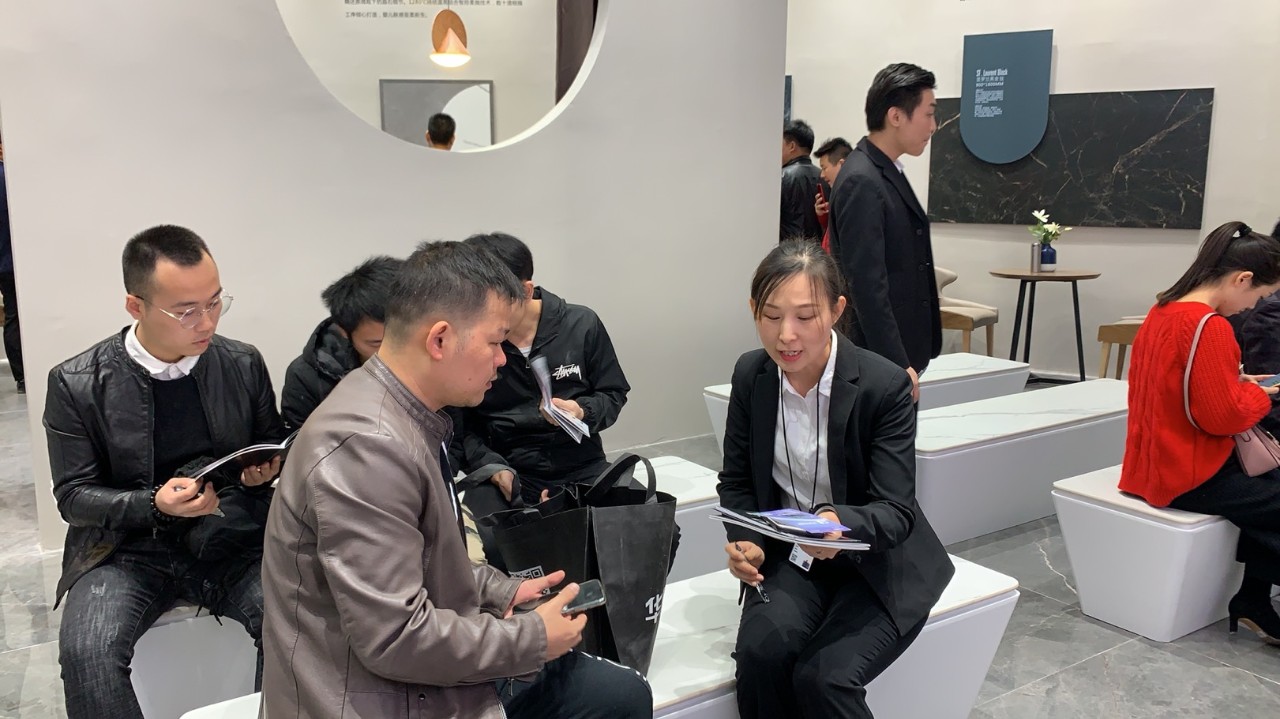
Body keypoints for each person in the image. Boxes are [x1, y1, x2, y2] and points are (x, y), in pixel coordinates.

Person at [259, 240, 651, 719]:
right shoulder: (369, 447)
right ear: (440, 340)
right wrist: (533, 637)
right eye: (495, 341)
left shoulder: (403, 411)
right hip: (377, 695)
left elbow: (417, 560)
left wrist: (498, 590)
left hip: (408, 677)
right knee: (614, 697)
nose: (503, 359)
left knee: (617, 692)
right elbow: (395, 638)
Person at [44, 225, 287, 718]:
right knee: (89, 653)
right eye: (186, 311)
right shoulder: (76, 382)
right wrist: (153, 504)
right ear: (135, 306)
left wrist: (260, 474)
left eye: (215, 302)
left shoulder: (241, 363)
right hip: (125, 550)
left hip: (228, 536)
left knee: (295, 624)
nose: (207, 322)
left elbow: (266, 446)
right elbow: (73, 496)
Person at [717, 240, 953, 718]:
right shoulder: (751, 375)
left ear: (836, 310)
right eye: (771, 316)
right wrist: (749, 541)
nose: (786, 335)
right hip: (795, 556)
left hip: (880, 565)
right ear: (753, 310)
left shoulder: (883, 386)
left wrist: (836, 522)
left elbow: (896, 511)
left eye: (805, 316)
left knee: (824, 679)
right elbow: (737, 481)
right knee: (761, 657)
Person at [1120, 220, 1280, 645]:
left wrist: (1236, 383)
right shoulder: (1210, 327)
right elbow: (1223, 419)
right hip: (1188, 473)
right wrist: (1260, 396)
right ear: (1242, 279)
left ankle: (1254, 601)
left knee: (1270, 486)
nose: (1251, 307)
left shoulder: (1163, 310)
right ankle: (1253, 600)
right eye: (1258, 296)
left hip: (1152, 464)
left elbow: (1175, 391)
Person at [454, 231, 630, 505]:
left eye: (489, 300)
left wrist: (581, 411)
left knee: (648, 519)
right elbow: (461, 426)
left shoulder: (581, 324)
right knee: (482, 530)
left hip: (583, 466)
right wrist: (491, 466)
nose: (479, 311)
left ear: (525, 291)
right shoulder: (468, 340)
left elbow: (613, 393)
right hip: (507, 470)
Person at [829, 63, 940, 402]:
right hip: (877, 361)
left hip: (892, 357)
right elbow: (867, 285)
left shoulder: (884, 170)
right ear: (896, 116)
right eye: (928, 114)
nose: (933, 126)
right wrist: (896, 363)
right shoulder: (862, 179)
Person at [280, 255, 403, 429]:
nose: (396, 351)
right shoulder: (307, 376)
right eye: (376, 344)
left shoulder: (437, 360)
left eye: (404, 339)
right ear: (343, 331)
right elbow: (301, 441)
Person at [0, 130, 22, 394]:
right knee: (15, 315)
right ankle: (24, 376)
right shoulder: (9, 177)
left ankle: (22, 377)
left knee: (14, 317)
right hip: (10, 261)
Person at [781, 119, 824, 243]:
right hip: (816, 250)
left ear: (792, 146)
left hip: (788, 249)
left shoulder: (781, 177)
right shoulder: (823, 176)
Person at [813, 136, 853, 253]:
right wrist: (824, 216)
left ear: (842, 164)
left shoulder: (853, 196)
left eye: (824, 168)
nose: (822, 175)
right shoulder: (839, 192)